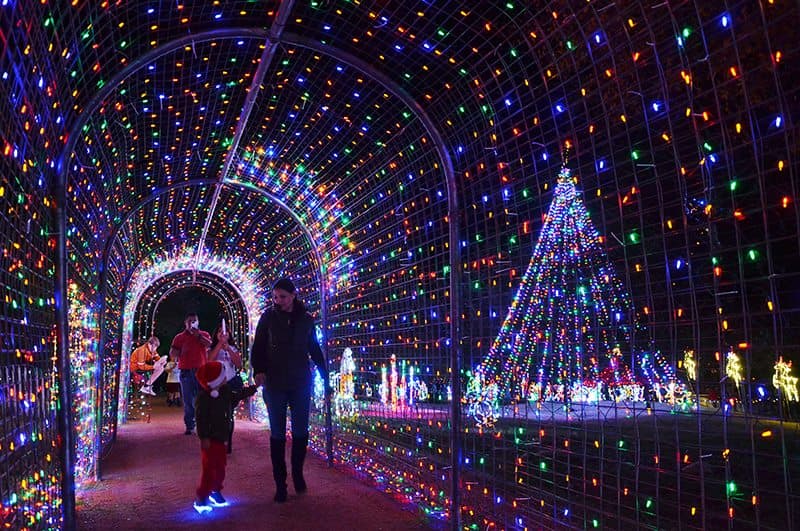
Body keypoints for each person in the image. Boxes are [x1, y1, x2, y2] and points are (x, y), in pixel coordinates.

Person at [250, 278, 330, 503]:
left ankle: (297, 472)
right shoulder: (268, 317)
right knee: (277, 432)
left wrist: (324, 375)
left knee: (300, 431)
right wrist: (259, 370)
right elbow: (258, 346)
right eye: (275, 297)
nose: (278, 301)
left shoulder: (306, 320)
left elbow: (313, 348)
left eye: (283, 297)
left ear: (294, 295)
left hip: (300, 381)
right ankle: (280, 484)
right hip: (275, 382)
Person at [192, 360, 238, 513]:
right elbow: (201, 419)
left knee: (220, 467)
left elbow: (236, 397)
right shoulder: (204, 399)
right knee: (209, 468)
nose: (225, 378)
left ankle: (215, 490)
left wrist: (253, 388)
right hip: (210, 439)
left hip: (222, 437)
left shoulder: (225, 392)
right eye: (223, 376)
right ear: (215, 380)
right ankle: (202, 497)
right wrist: (204, 437)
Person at [170, 313, 212, 435]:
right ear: (185, 323)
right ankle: (190, 425)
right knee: (188, 400)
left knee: (203, 399)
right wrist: (180, 352)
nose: (192, 323)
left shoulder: (204, 334)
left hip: (202, 371)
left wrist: (198, 336)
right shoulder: (179, 337)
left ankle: (203, 424)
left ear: (198, 322)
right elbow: (172, 353)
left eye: (194, 320)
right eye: (189, 321)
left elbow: (210, 345)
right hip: (186, 371)